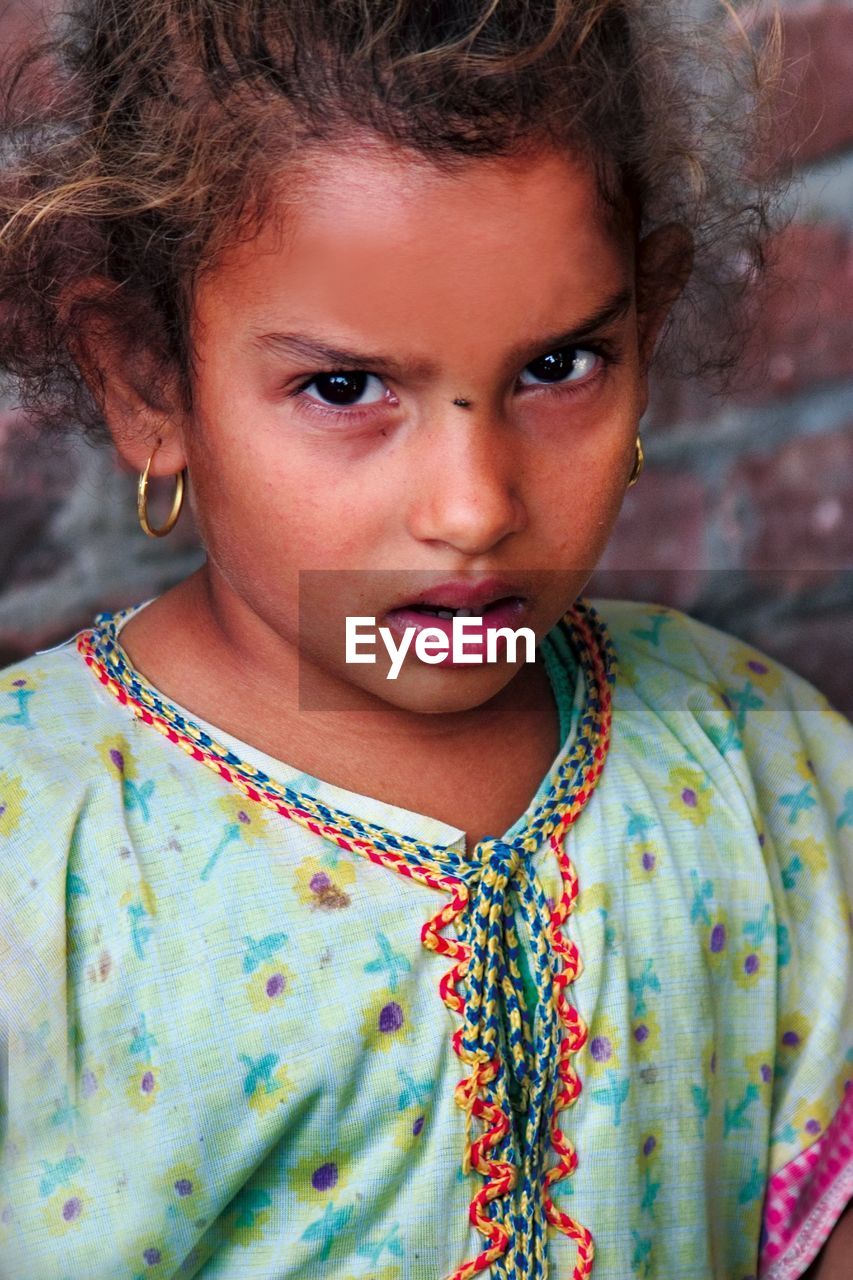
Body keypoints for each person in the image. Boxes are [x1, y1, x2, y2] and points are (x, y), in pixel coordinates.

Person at [0, 2, 850, 1277]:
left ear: (649, 324)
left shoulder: (759, 763)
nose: (474, 507)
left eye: (559, 364)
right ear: (147, 384)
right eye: (345, 388)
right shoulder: (36, 860)